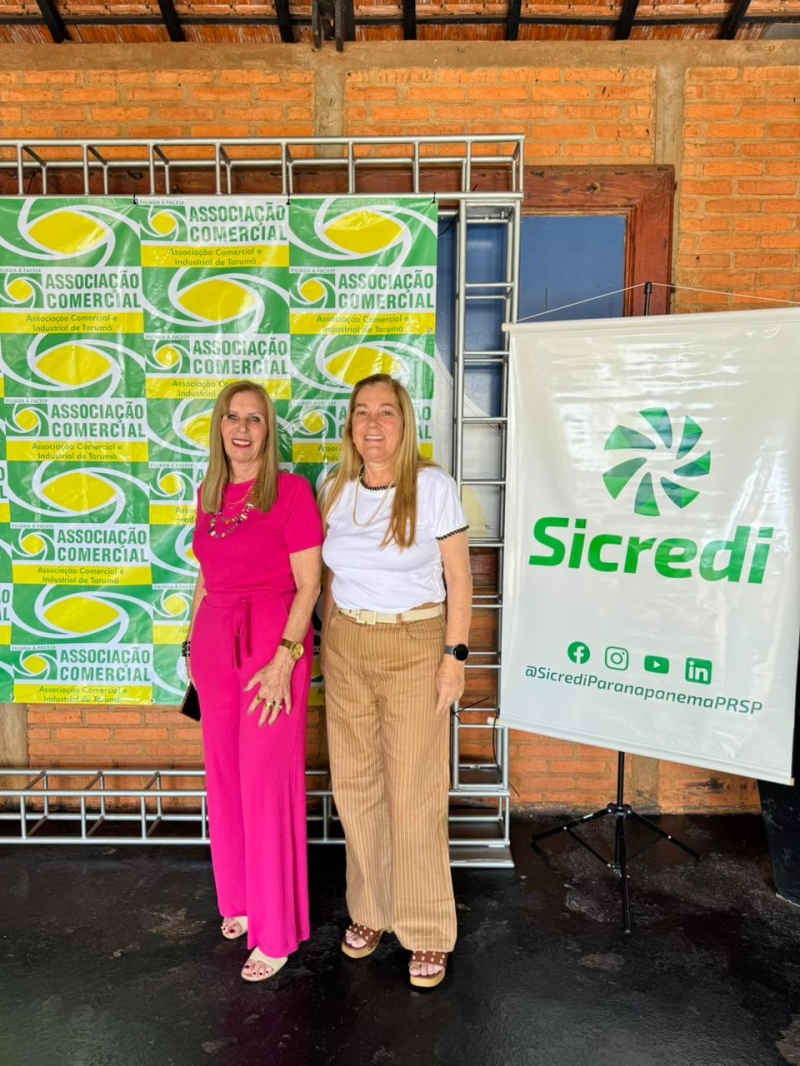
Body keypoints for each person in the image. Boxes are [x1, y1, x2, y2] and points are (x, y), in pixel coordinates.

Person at [320, 373, 473, 989]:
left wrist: (454, 656)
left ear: (405, 423)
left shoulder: (432, 487)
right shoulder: (334, 488)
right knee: (356, 784)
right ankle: (371, 910)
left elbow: (459, 578)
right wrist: (327, 640)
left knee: (414, 789)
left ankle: (427, 928)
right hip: (348, 645)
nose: (373, 424)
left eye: (386, 412)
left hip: (415, 643)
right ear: (351, 426)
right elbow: (329, 578)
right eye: (362, 412)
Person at [186, 380, 323, 982]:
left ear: (269, 431)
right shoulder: (209, 494)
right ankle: (240, 900)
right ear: (219, 427)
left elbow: (310, 583)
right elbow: (205, 574)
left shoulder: (290, 493)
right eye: (232, 417)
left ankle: (277, 930)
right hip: (215, 641)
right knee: (226, 776)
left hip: (273, 639)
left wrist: (284, 659)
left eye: (255, 419)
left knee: (267, 781)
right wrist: (191, 643)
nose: (242, 429)